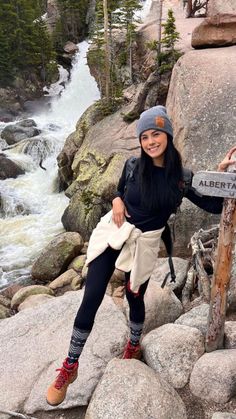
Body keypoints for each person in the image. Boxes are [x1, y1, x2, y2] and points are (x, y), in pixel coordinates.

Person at [46, 106, 236, 406]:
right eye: (145, 136)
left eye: (156, 134)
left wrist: (221, 173)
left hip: (145, 244)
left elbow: (214, 206)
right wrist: (117, 200)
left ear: (168, 136)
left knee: (135, 297)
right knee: (92, 296)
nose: (150, 141)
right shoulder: (133, 165)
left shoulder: (182, 179)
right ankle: (70, 365)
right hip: (114, 230)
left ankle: (133, 345)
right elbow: (121, 189)